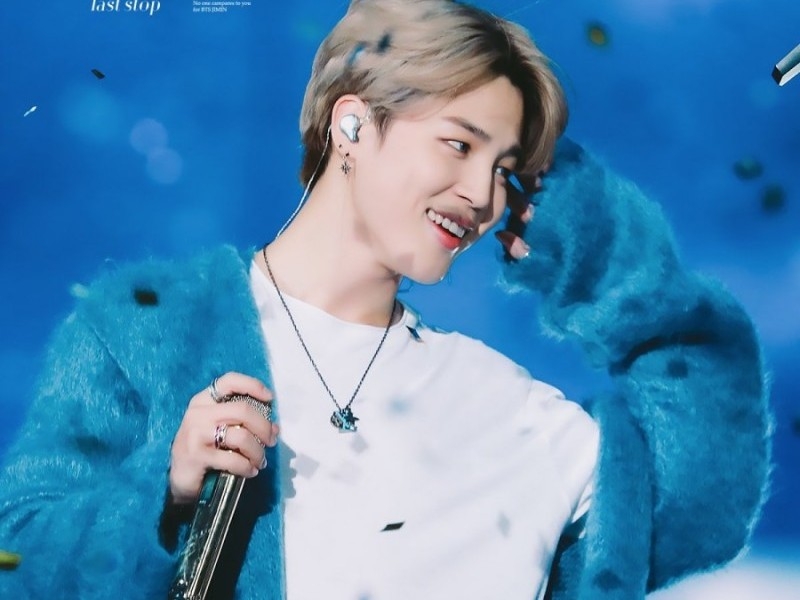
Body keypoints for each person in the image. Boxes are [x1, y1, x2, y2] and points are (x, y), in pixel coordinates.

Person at [0, 1, 770, 599]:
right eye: (459, 144)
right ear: (353, 123)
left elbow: (702, 501)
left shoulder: (514, 415)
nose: (482, 196)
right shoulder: (146, 330)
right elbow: (18, 561)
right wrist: (165, 490)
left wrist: (599, 248)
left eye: (506, 172)